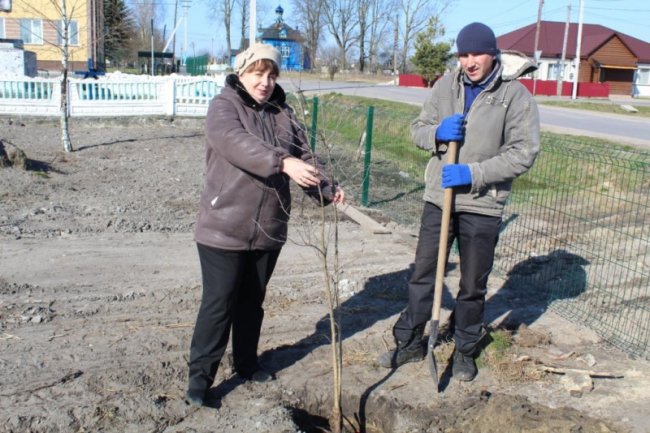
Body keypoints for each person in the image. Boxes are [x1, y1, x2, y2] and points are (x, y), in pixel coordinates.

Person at [378, 22, 540, 381]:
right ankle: (410, 342)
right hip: (439, 198)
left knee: (471, 284)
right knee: (423, 274)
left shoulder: (515, 96)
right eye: (463, 54)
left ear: (492, 54)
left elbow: (523, 153)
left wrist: (473, 173)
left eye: (476, 54)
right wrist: (436, 132)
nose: (469, 62)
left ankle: (465, 350)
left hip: (482, 204)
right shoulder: (445, 86)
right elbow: (417, 129)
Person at [186, 43, 345, 406]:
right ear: (241, 73)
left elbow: (305, 155)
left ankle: (246, 363)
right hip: (223, 228)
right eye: (258, 73)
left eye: (271, 74)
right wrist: (282, 163)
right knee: (218, 303)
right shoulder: (224, 107)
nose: (265, 82)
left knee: (251, 302)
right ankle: (199, 380)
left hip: (268, 229)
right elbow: (235, 143)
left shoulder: (283, 113)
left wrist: (327, 187)